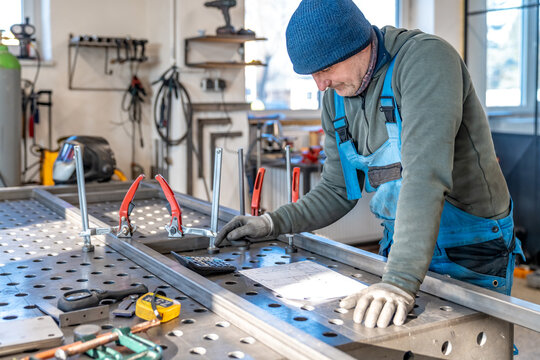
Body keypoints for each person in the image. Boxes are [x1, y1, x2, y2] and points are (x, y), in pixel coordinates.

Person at [215, 0, 525, 328]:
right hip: (402, 241)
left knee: (471, 342)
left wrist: (398, 282)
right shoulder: (335, 98)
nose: (320, 85)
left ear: (356, 45)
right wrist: (272, 223)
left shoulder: (426, 61)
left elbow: (424, 177)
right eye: (313, 75)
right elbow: (337, 190)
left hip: (469, 245)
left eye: (325, 70)